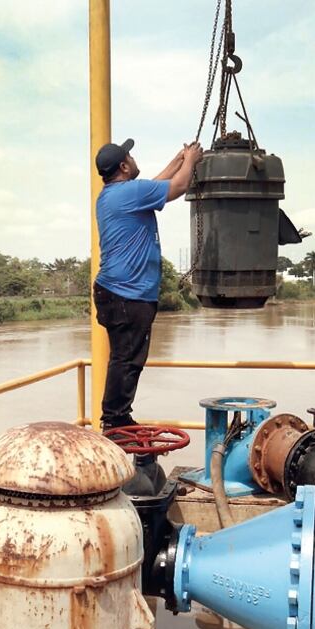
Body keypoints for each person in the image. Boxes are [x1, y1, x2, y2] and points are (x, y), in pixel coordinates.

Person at [93, 138, 204, 430]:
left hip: (116, 292)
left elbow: (156, 184)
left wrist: (179, 159)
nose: (134, 158)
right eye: (130, 156)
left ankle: (118, 416)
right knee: (127, 358)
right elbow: (178, 186)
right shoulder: (131, 192)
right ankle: (115, 420)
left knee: (125, 356)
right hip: (127, 294)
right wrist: (191, 161)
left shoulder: (116, 194)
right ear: (124, 166)